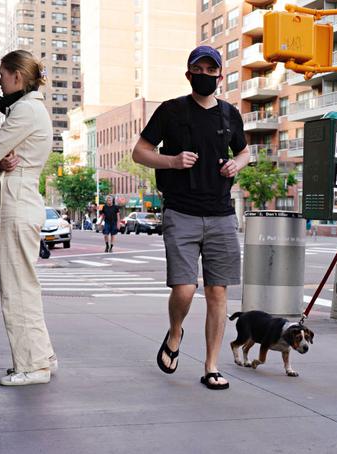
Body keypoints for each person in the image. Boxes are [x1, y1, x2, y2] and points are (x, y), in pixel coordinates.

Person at [132, 45, 249, 390]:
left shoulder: (229, 115)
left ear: (219, 76)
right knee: (184, 289)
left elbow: (244, 151)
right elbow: (139, 152)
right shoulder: (171, 111)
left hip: (221, 214)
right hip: (181, 212)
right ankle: (174, 333)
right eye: (198, 69)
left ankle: (211, 366)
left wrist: (236, 164)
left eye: (211, 70)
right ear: (189, 75)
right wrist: (171, 161)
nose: (205, 75)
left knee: (218, 292)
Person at [0, 49, 57, 386]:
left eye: (2, 74)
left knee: (16, 289)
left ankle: (33, 366)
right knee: (25, 286)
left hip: (19, 202)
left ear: (16, 75)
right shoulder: (30, 109)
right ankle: (43, 358)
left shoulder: (25, 110)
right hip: (22, 199)